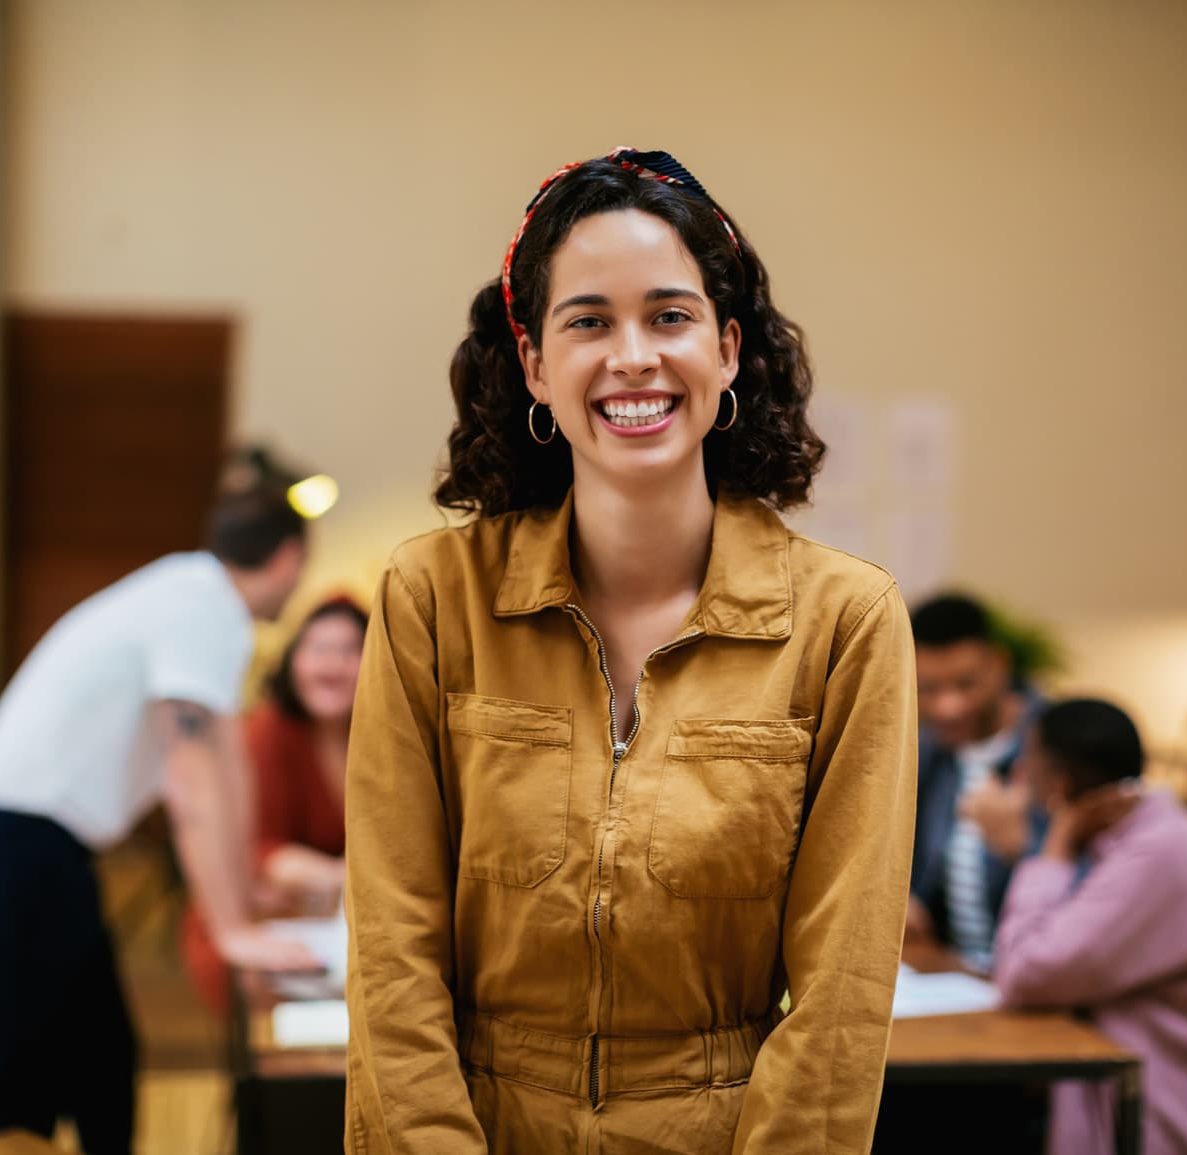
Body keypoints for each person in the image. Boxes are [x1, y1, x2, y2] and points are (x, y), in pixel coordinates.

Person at [345, 147, 918, 1154]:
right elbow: (391, 951)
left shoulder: (846, 623)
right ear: (534, 363)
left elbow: (842, 994)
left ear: (729, 348)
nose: (634, 358)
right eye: (588, 321)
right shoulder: (432, 598)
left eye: (669, 316)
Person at [0, 465, 321, 1154]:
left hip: (42, 844)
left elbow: (227, 763)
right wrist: (231, 926)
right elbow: (194, 772)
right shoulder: (202, 606)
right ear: (290, 556)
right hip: (21, 841)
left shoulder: (193, 597)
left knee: (101, 1055)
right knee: (31, 1069)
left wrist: (245, 890)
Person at [996, 699, 1187, 1155]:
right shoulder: (1135, 837)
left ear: (1058, 786)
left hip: (1155, 1111)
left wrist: (1056, 848)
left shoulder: (1158, 852)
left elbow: (1026, 973)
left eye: (1030, 763)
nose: (1022, 774)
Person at [182, 595, 367, 1014]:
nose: (331, 665)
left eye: (349, 650)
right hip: (265, 907)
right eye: (318, 649)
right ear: (294, 660)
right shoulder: (269, 730)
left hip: (346, 915)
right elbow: (251, 850)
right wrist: (341, 876)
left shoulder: (385, 736)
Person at [907, 592, 1044, 970]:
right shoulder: (924, 753)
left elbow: (1109, 893)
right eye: (928, 689)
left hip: (1032, 981)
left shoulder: (1057, 746)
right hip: (949, 976)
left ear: (999, 665)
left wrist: (1023, 849)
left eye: (966, 685)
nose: (948, 707)